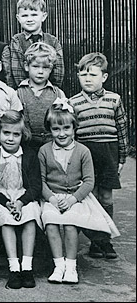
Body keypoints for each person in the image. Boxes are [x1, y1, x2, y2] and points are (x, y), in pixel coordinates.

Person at [39, 100, 119, 284]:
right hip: (52, 197)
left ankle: (71, 266)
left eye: (66, 128)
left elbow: (89, 181)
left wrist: (73, 199)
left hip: (77, 198)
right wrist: (50, 198)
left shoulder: (83, 151)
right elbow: (41, 180)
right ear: (49, 129)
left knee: (70, 225)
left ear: (74, 127)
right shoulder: (44, 151)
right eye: (56, 129)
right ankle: (58, 265)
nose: (61, 133)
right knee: (51, 223)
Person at [69, 52, 128, 260]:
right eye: (83, 74)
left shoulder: (114, 99)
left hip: (108, 154)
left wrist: (122, 157)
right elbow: (72, 136)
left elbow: (121, 129)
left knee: (106, 197)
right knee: (90, 197)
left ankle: (106, 239)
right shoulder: (73, 102)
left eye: (93, 74)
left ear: (104, 77)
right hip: (87, 156)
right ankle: (95, 241)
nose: (87, 78)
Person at [0, 110, 42, 289]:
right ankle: (14, 267)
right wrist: (6, 202)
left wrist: (20, 202)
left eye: (16, 134)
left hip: (22, 196)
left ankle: (27, 266)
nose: (10, 138)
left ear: (22, 135)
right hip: (0, 198)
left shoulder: (30, 155)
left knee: (30, 216)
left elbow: (35, 187)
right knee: (7, 220)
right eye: (6, 133)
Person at [2, 0, 64, 89]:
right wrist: (24, 91)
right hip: (24, 91)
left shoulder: (53, 41)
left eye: (34, 15)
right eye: (25, 15)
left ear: (43, 16)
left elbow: (58, 71)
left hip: (49, 89)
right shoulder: (17, 41)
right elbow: (16, 71)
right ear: (18, 18)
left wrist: (50, 89)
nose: (29, 19)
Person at [15, 42, 66, 153]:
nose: (40, 71)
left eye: (46, 67)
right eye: (36, 66)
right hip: (26, 147)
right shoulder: (18, 93)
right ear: (26, 66)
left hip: (53, 147)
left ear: (51, 69)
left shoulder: (58, 94)